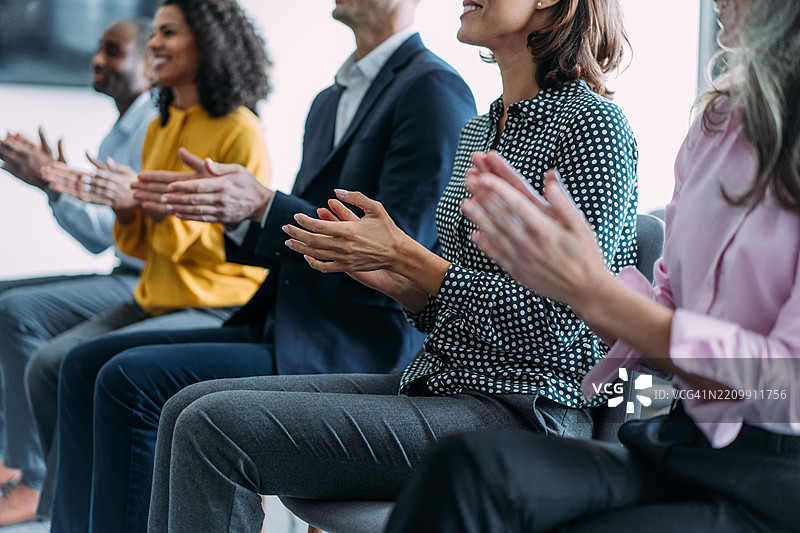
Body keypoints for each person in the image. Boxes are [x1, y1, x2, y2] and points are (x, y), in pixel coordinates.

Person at [147, 0, 639, 530]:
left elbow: (565, 320)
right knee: (184, 407)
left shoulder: (593, 127)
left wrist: (406, 256)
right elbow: (451, 303)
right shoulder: (479, 129)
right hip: (442, 383)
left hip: (526, 411)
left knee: (212, 428)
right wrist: (400, 284)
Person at [51, 0, 476, 532]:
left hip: (352, 338)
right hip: (287, 318)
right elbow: (297, 235)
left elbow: (403, 245)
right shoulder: (330, 99)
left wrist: (261, 205)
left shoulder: (433, 90)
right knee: (86, 364)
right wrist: (233, 214)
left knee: (128, 382)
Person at [384, 0, 800, 531]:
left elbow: (784, 386)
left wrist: (591, 291)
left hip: (778, 479)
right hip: (680, 444)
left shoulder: (592, 123)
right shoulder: (715, 127)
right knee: (466, 467)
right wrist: (569, 280)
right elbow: (661, 321)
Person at [39, 2, 272, 532]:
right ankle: (69, 523)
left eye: (169, 33)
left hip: (217, 300)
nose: (155, 45)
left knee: (106, 371)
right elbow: (143, 246)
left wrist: (143, 200)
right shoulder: (162, 127)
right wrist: (125, 204)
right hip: (156, 293)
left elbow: (225, 246)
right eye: (155, 35)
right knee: (65, 363)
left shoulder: (241, 130)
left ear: (207, 43)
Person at [0, 18, 156, 526]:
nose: (98, 60)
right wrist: (52, 184)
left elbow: (116, 235)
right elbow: (101, 235)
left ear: (149, 64)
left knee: (17, 313)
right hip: (123, 269)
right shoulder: (123, 126)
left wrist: (52, 181)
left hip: (148, 280)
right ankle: (17, 462)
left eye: (113, 51)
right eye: (99, 49)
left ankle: (36, 477)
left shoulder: (155, 123)